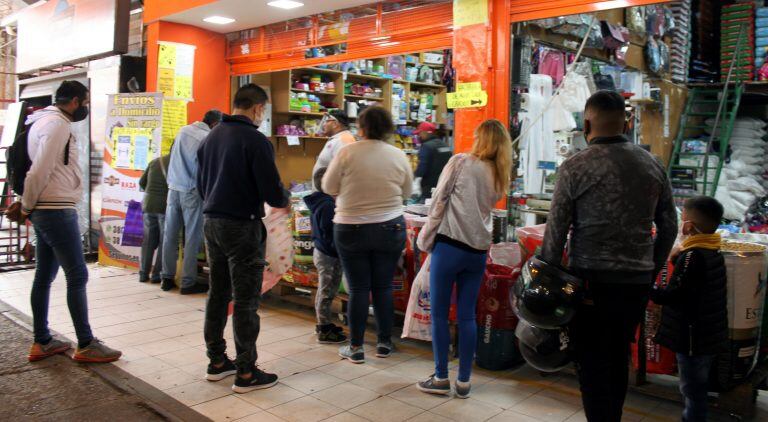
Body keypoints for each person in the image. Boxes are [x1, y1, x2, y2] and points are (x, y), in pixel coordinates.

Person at [540, 90, 678, 422]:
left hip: (590, 282)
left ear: (587, 122)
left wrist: (546, 281)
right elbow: (670, 227)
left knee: (591, 362)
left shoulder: (575, 166)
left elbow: (555, 234)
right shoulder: (652, 163)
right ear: (627, 122)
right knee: (618, 357)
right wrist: (649, 269)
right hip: (634, 284)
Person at [14, 81, 121, 363]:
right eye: (84, 103)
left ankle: (42, 340)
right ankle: (85, 343)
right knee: (77, 275)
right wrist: (26, 205)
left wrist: (29, 206)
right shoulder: (57, 124)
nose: (85, 108)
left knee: (45, 275)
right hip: (55, 209)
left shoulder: (41, 121)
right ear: (74, 101)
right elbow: (40, 169)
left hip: (48, 208)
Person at [197, 84, 290, 393]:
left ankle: (217, 361)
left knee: (218, 293)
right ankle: (247, 372)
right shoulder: (255, 140)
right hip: (242, 226)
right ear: (257, 109)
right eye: (263, 111)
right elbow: (273, 193)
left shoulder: (210, 137)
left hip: (212, 223)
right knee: (246, 299)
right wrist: (284, 196)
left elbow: (201, 185)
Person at [416, 119, 511, 399]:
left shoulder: (461, 162)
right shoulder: (499, 173)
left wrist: (426, 236)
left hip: (449, 246)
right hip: (478, 251)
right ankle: (465, 382)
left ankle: (441, 377)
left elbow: (438, 201)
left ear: (481, 139)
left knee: (439, 315)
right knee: (468, 315)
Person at [323, 106, 413, 364]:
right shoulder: (398, 155)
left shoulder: (347, 152)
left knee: (359, 288)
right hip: (389, 226)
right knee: (383, 286)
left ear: (361, 127)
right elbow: (407, 191)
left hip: (350, 227)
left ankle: (356, 347)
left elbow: (328, 186)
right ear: (388, 129)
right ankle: (385, 343)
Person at [651, 196, 727, 422]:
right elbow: (694, 286)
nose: (681, 224)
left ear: (689, 226)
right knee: (697, 386)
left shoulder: (693, 256)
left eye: (683, 219)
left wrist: (647, 287)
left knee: (692, 389)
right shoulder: (713, 250)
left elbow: (675, 295)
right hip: (709, 334)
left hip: (693, 337)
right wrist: (678, 259)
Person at [161, 109, 222, 294]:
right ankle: (188, 282)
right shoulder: (207, 138)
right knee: (192, 237)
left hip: (173, 189)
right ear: (214, 124)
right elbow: (206, 169)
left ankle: (167, 278)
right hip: (191, 192)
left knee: (170, 235)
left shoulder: (183, 130)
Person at [304, 167, 346, 343]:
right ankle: (323, 328)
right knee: (326, 291)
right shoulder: (327, 205)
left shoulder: (321, 201)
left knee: (327, 290)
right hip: (328, 254)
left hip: (324, 252)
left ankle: (324, 323)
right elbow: (330, 234)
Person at [138, 154, 171, 284]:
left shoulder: (155, 161)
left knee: (148, 241)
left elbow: (142, 182)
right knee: (164, 242)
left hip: (148, 205)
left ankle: (143, 273)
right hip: (164, 207)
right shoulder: (176, 164)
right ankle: (157, 275)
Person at [312, 109, 356, 189]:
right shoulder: (336, 138)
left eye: (327, 121)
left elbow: (344, 171)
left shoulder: (344, 140)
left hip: (330, 197)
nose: (324, 125)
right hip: (325, 195)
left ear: (335, 124)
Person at [413, 122, 452, 203]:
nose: (419, 136)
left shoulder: (426, 146)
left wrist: (415, 179)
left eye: (420, 133)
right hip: (444, 187)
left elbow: (422, 167)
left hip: (429, 189)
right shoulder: (445, 145)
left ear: (425, 132)